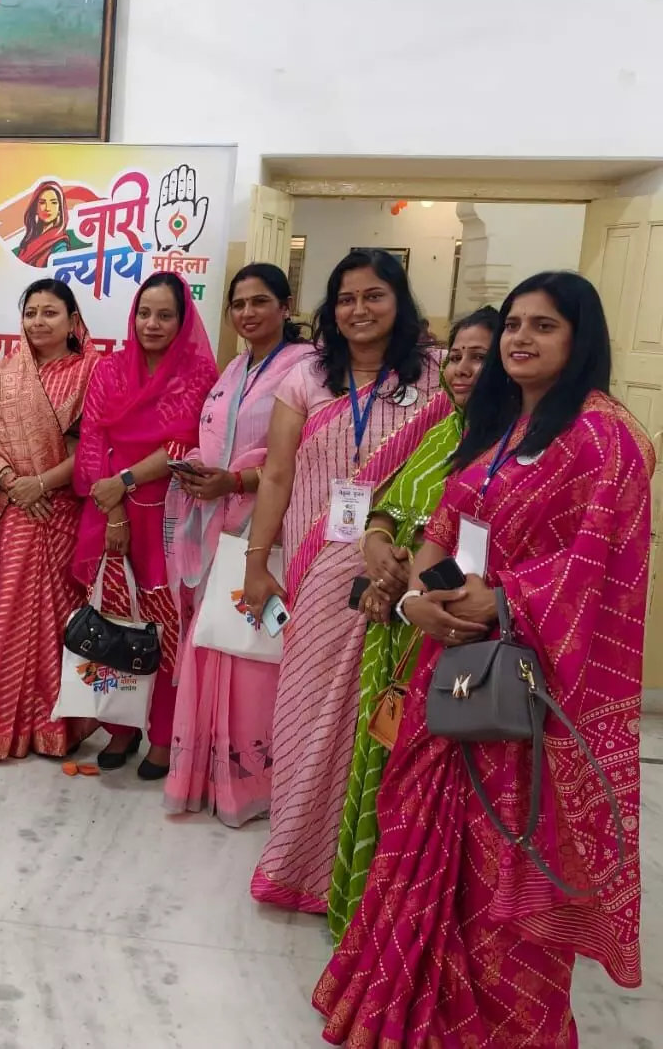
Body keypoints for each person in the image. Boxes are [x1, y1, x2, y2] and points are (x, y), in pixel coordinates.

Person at [316, 272, 648, 1045]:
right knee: (422, 842)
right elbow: (442, 532)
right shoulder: (498, 429)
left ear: (582, 339)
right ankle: (406, 1011)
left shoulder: (604, 437)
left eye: (544, 326)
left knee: (506, 869)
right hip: (450, 670)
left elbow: (597, 568)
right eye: (515, 325)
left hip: (525, 699)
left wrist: (503, 602)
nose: (521, 339)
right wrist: (416, 603)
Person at [242, 250, 451, 914]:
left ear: (399, 300)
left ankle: (370, 869)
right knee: (305, 711)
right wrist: (256, 561)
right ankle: (296, 860)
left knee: (383, 716)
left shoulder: (439, 375)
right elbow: (277, 474)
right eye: (345, 298)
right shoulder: (307, 375)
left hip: (402, 574)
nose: (359, 310)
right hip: (318, 571)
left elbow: (455, 468)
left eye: (374, 295)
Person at [325, 305, 498, 938]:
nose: (463, 369)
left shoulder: (505, 445)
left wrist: (408, 589)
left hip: (451, 635)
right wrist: (378, 555)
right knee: (381, 756)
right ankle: (364, 923)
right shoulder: (442, 431)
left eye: (480, 357)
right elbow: (385, 510)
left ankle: (408, 935)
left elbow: (482, 550)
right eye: (457, 356)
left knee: (429, 784)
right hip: (395, 628)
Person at [163, 263, 315, 821]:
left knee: (252, 654)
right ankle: (205, 774)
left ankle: (252, 785)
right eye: (238, 303)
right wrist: (200, 471)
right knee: (214, 641)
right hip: (217, 526)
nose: (247, 313)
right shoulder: (234, 366)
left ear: (285, 306)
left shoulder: (307, 368)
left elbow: (302, 457)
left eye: (259, 301)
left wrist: (235, 480)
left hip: (265, 530)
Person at [74, 272, 218, 777]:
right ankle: (120, 727)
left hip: (169, 515)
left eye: (165, 315)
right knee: (115, 620)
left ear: (182, 321)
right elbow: (93, 442)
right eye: (144, 313)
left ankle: (161, 736)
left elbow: (186, 445)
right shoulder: (111, 370)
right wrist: (114, 507)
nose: (152, 324)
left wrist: (127, 480)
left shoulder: (198, 375)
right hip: (110, 513)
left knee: (165, 628)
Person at [0, 279, 97, 759]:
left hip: (61, 513)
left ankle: (54, 728)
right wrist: (8, 480)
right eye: (31, 312)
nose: (38, 322)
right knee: (6, 617)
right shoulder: (6, 376)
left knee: (58, 623)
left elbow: (93, 448)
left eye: (50, 312)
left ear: (72, 320)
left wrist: (39, 484)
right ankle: (0, 727)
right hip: (12, 512)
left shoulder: (90, 373)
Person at [12, 180, 87, 269]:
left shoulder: (60, 245)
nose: (47, 208)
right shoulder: (29, 240)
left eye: (54, 202)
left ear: (60, 208)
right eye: (42, 202)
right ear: (35, 207)